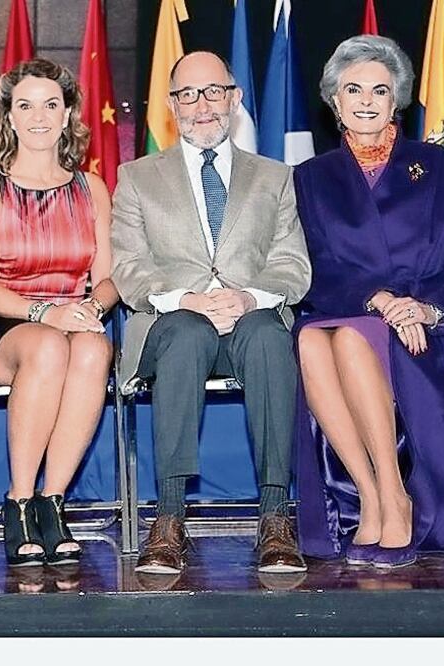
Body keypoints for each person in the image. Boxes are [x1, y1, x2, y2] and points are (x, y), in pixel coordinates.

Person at [292, 35, 444, 569]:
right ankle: (372, 491)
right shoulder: (309, 179)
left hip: (425, 335)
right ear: (334, 101)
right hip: (356, 312)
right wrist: (379, 300)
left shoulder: (440, 168)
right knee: (313, 337)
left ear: (397, 101)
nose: (366, 100)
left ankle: (395, 495)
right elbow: (314, 272)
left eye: (379, 90)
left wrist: (426, 309)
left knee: (349, 340)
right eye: (353, 89)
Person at [111, 51, 311, 575]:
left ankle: (275, 517)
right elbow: (129, 268)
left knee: (271, 338)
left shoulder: (275, 177)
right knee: (184, 335)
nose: (202, 105)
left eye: (213, 91)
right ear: (171, 104)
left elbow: (293, 266)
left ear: (235, 97)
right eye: (187, 94)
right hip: (172, 320)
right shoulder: (135, 177)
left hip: (252, 318)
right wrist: (186, 299)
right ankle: (169, 518)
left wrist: (248, 297)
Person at [0, 58, 116, 567]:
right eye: (25, 105)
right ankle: (18, 501)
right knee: (49, 345)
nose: (40, 116)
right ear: (8, 115)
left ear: (68, 113)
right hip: (1, 325)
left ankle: (54, 501)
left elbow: (109, 277)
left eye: (52, 104)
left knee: (94, 347)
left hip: (72, 318)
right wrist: (48, 312)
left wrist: (89, 308)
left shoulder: (91, 188)